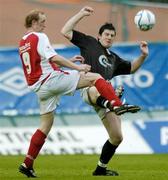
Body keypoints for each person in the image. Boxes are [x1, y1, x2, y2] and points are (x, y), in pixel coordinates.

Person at [18, 9, 139, 178]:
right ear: (33, 23)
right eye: (42, 21)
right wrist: (77, 67)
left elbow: (43, 64)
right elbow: (53, 58)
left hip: (38, 86)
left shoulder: (23, 42)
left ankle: (27, 164)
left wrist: (67, 64)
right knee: (94, 77)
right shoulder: (40, 37)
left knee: (45, 125)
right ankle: (117, 104)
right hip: (50, 81)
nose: (45, 25)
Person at [61, 6, 149, 176]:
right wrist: (81, 13)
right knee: (96, 86)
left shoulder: (113, 58)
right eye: (106, 34)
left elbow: (132, 68)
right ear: (99, 36)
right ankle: (115, 103)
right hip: (88, 89)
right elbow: (65, 31)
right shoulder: (89, 43)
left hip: (106, 97)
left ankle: (100, 169)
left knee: (117, 137)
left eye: (112, 36)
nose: (109, 37)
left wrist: (143, 56)